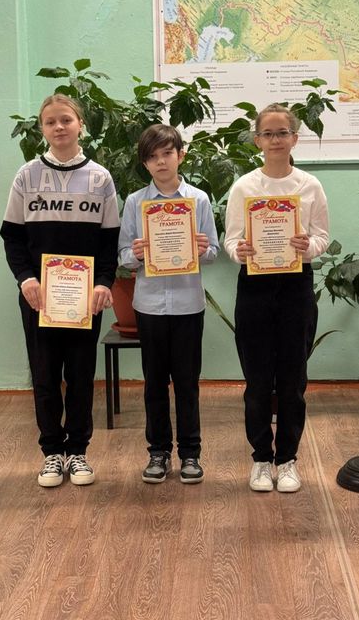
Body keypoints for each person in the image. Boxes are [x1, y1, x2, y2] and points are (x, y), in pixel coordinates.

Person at [0, 94, 120, 488]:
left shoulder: (100, 178)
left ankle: (78, 452)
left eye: (66, 119)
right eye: (50, 121)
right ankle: (52, 452)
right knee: (45, 376)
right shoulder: (26, 176)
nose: (59, 127)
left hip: (85, 299)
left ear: (80, 124)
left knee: (81, 376)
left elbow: (109, 241)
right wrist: (25, 278)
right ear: (42, 128)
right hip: (38, 297)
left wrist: (103, 282)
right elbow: (12, 236)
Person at [224, 103, 329, 493]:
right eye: (267, 134)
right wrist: (240, 252)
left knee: (292, 379)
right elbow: (231, 240)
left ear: (294, 138)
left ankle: (286, 460)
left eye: (282, 132)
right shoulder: (244, 187)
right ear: (257, 141)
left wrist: (308, 246)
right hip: (254, 287)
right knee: (256, 380)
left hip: (295, 287)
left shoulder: (310, 185)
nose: (275, 140)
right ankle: (260, 459)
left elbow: (322, 236)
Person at [118, 124, 220, 484]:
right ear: (145, 163)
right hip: (149, 306)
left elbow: (213, 252)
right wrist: (136, 253)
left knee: (188, 382)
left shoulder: (199, 200)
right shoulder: (135, 202)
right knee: (154, 383)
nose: (160, 162)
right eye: (152, 156)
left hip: (188, 305)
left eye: (166, 153)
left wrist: (202, 248)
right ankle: (158, 452)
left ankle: (190, 453)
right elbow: (123, 255)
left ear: (181, 155)